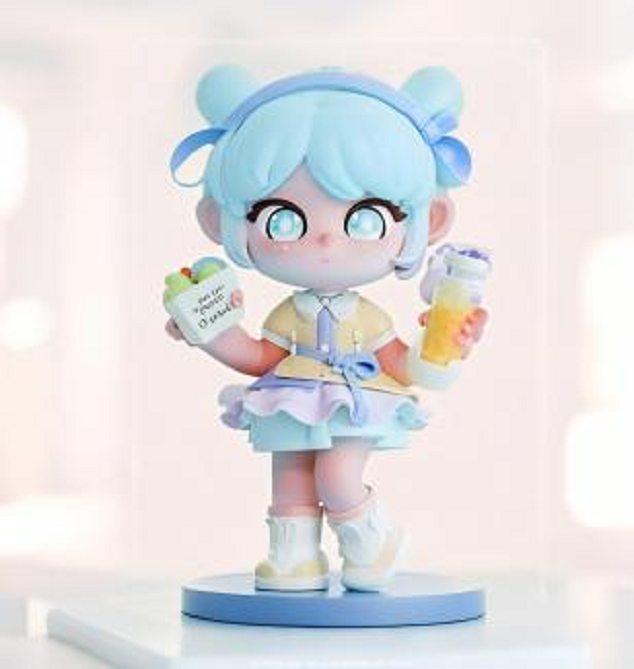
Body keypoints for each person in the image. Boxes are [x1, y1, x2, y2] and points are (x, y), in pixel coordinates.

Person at [166, 65, 487, 592]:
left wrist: (442, 348)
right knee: (290, 477)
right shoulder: (288, 314)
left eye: (364, 217)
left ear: (427, 222)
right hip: (290, 395)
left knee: (337, 475)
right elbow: (261, 358)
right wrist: (212, 333)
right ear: (220, 220)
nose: (323, 240)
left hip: (355, 399)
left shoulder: (367, 317)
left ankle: (371, 541)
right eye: (282, 218)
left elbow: (399, 362)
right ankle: (294, 559)